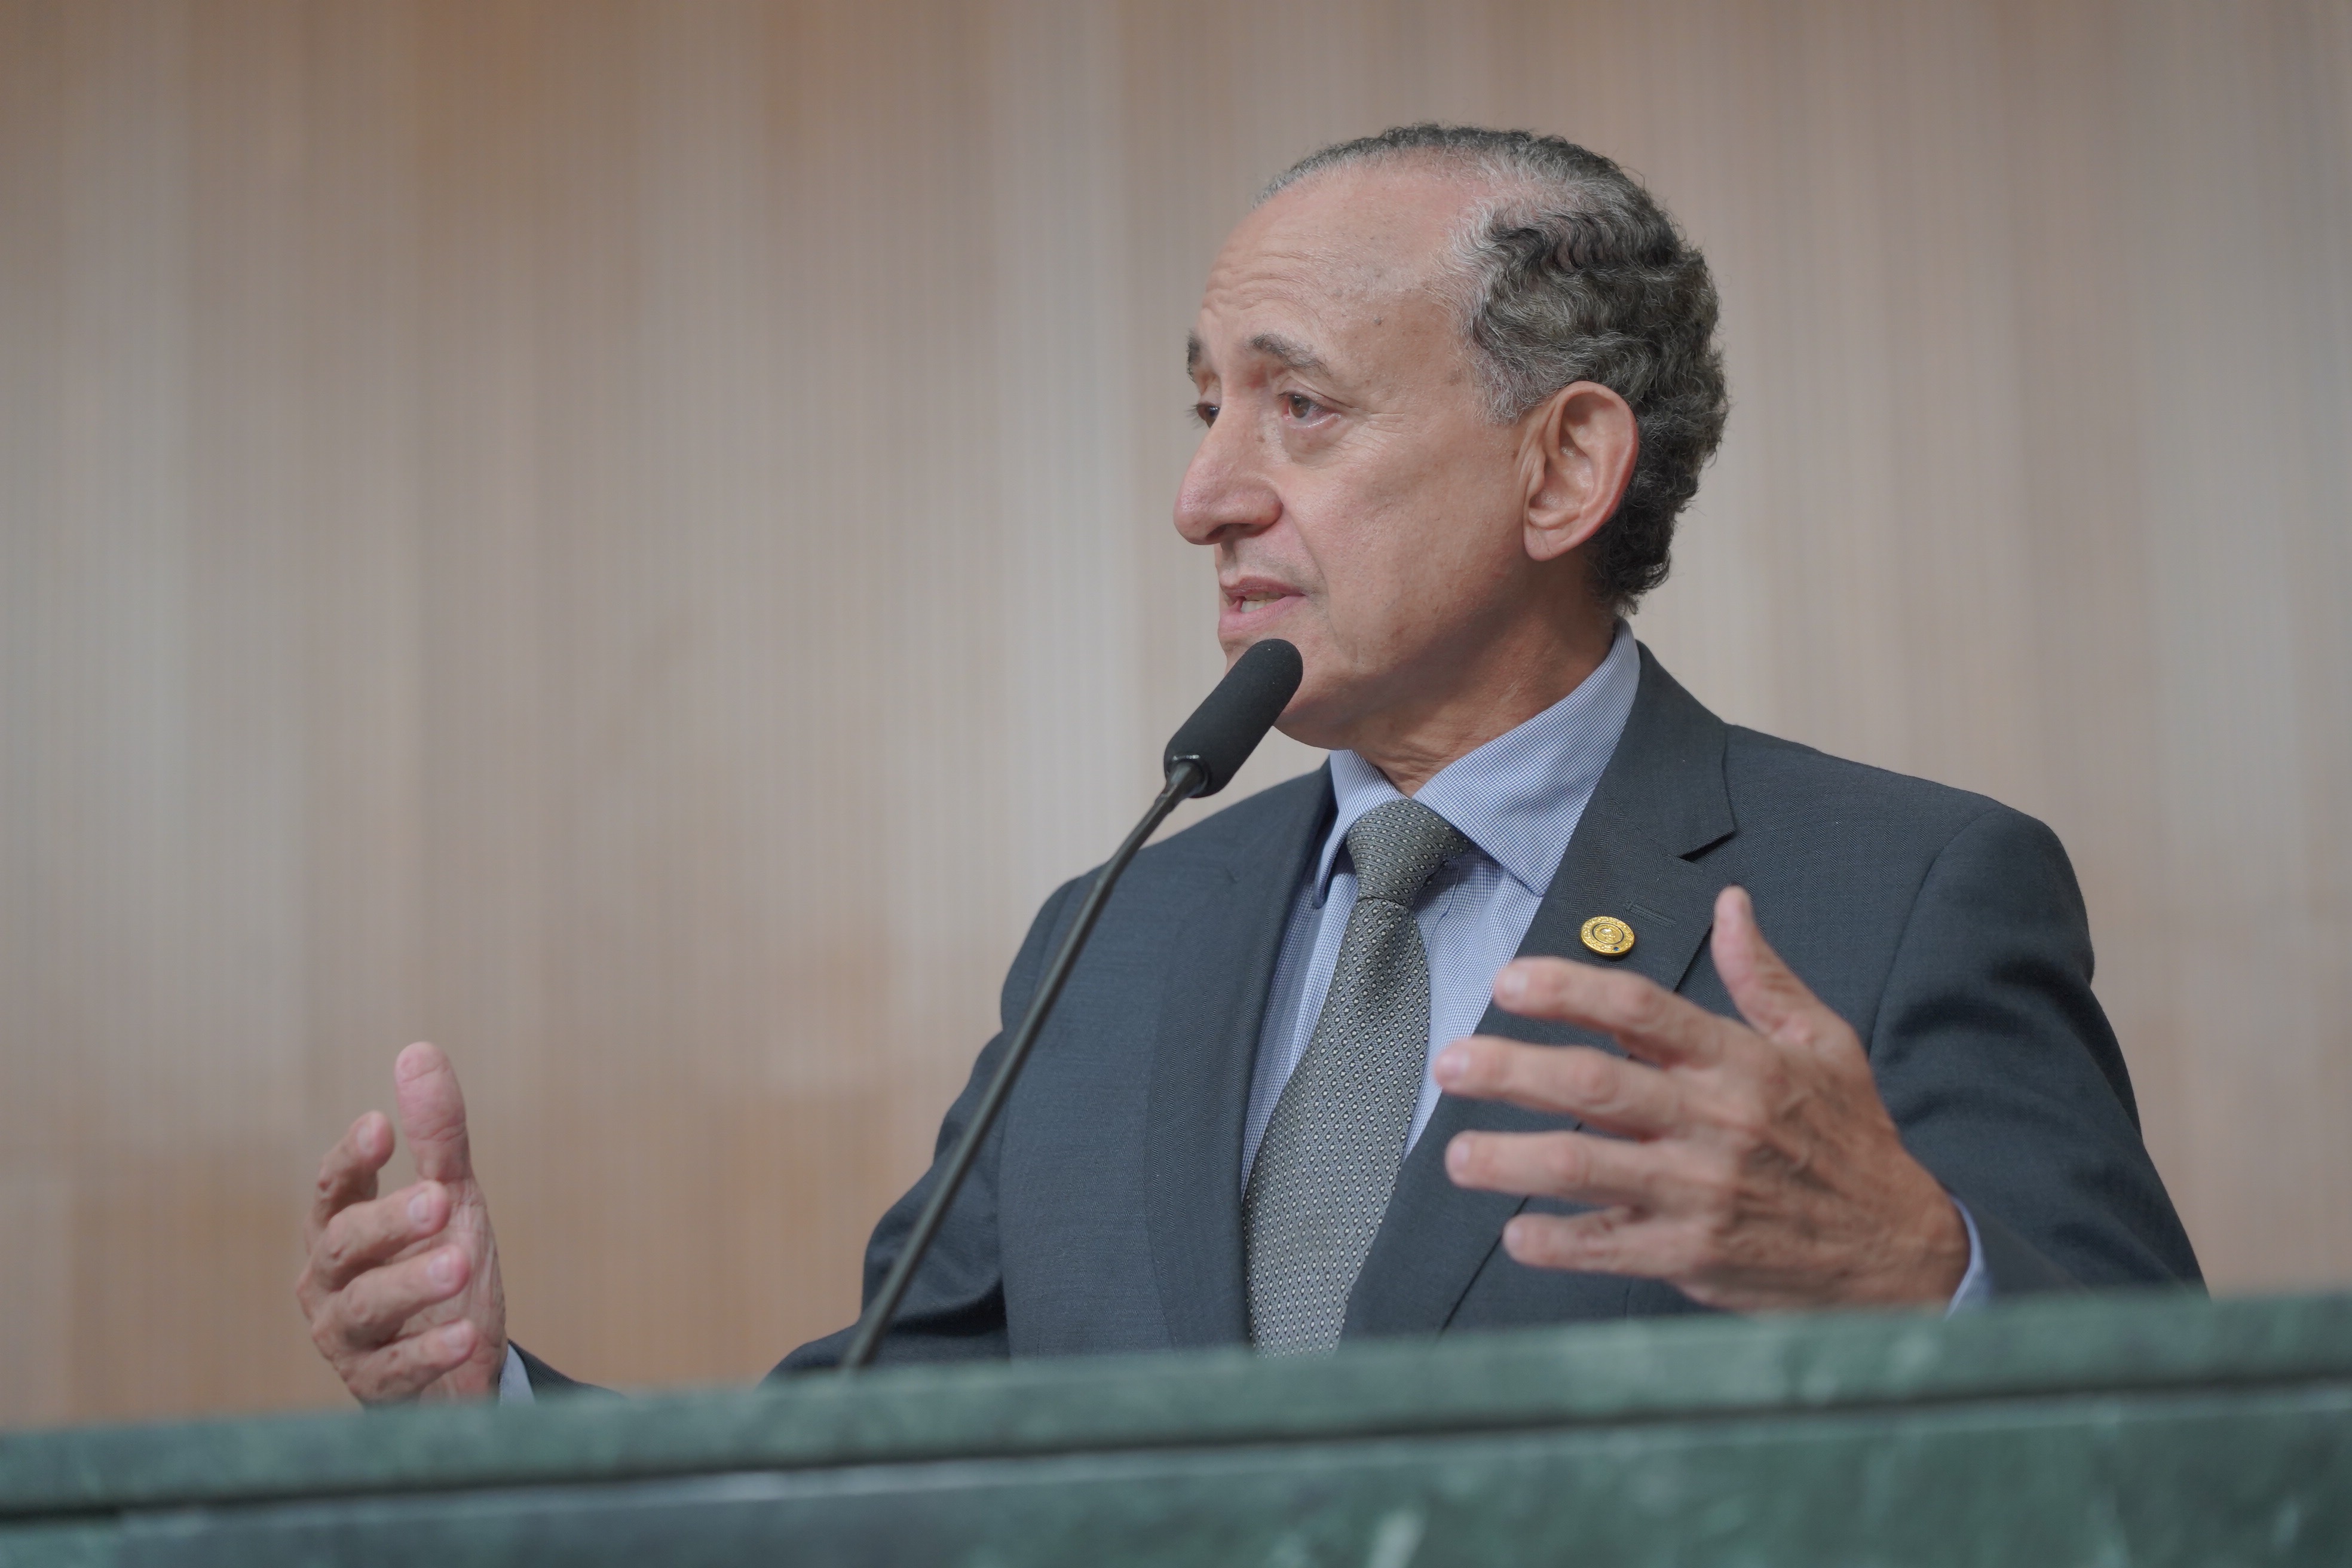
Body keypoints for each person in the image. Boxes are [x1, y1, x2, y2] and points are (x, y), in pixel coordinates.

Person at [298, 125, 2199, 1404]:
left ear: (1564, 467)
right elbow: (876, 1467)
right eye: (1206, 407)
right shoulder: (1116, 938)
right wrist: (495, 1411)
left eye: (1300, 406)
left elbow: (2195, 1463)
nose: (1204, 494)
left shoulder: (1899, 894)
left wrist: (1924, 1273)